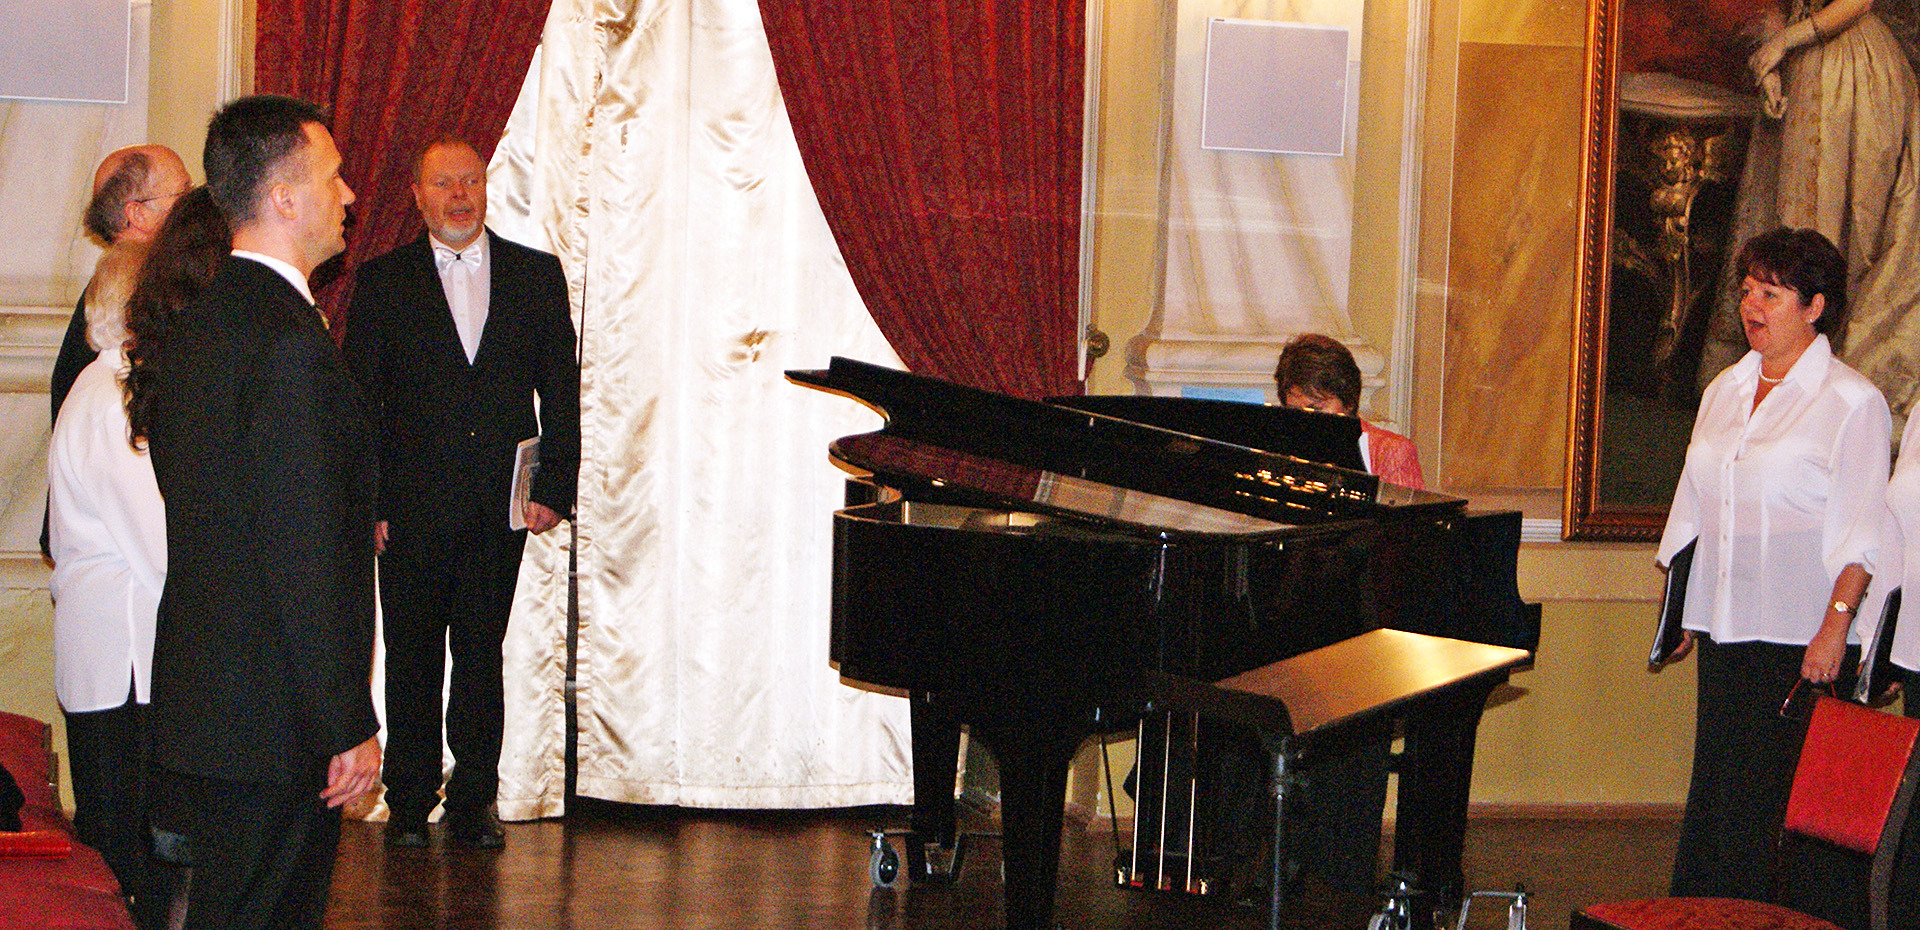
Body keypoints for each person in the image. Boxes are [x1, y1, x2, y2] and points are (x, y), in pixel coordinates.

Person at [132, 94, 381, 929]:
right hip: (274, 720)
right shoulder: (286, 343)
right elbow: (302, 553)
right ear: (283, 197)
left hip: (217, 703)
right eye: (333, 176)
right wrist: (345, 721)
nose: (349, 195)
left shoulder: (202, 323)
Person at [341, 137, 579, 851]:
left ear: (486, 186)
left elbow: (561, 392)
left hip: (499, 509)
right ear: (417, 196)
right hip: (408, 514)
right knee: (412, 658)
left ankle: (476, 800)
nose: (459, 196)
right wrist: (369, 504)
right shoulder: (383, 282)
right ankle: (410, 803)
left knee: (481, 658)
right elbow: (361, 403)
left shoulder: (536, 275)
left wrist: (555, 487)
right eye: (443, 183)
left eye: (470, 181)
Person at [1657, 226, 1889, 900]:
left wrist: (1835, 626)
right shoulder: (1724, 390)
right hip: (1725, 626)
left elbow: (1863, 531)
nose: (1751, 306)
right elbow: (1694, 504)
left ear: (1815, 307)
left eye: (1771, 293)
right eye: (1747, 290)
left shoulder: (1851, 402)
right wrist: (1679, 607)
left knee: (1782, 812)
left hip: (1800, 636)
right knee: (1721, 794)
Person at [46, 185, 219, 930]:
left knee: (129, 852)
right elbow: (154, 541)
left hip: (115, 656)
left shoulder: (103, 385)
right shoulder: (116, 391)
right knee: (130, 861)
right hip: (125, 661)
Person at [1699, 0, 1920, 420]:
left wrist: (1785, 42)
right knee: (1793, 225)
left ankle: (1828, 396)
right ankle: (1782, 389)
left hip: (1855, 73)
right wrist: (1770, 67)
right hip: (1800, 72)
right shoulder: (1787, 44)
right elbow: (1779, 8)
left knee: (1853, 234)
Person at [1273, 333, 1425, 488]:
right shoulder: (1279, 449)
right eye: (1295, 411)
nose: (1304, 420)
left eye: (1317, 409)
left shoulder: (1390, 453)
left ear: (1348, 402)